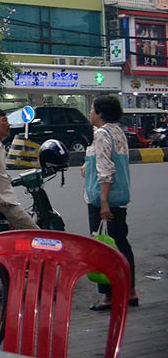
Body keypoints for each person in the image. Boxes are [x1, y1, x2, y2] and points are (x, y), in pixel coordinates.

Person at [83, 95, 138, 311]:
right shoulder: (118, 132)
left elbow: (106, 170)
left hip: (102, 200)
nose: (90, 113)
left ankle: (109, 296)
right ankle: (130, 291)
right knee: (122, 245)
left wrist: (104, 202)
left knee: (103, 247)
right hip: (119, 198)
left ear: (100, 113)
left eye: (92, 110)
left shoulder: (102, 134)